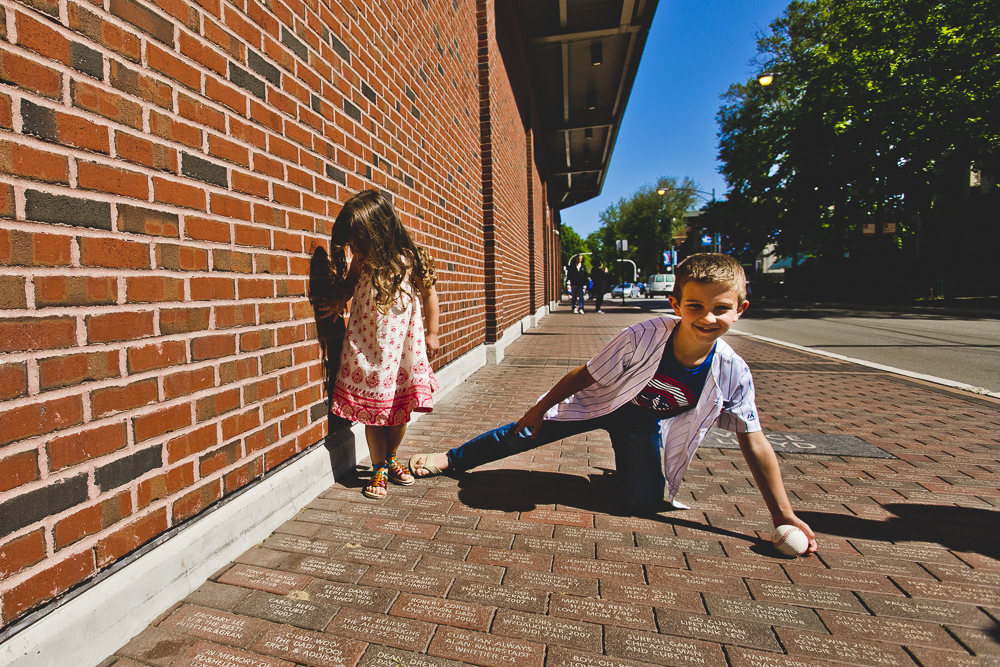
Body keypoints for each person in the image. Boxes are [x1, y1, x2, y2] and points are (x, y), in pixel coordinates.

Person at [409, 253, 817, 553]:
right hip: (600, 402)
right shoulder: (643, 336)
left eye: (720, 309)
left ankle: (624, 474)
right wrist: (536, 411)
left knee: (642, 503)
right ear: (675, 305)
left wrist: (781, 513)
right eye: (695, 306)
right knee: (520, 434)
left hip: (641, 424)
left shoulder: (732, 370)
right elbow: (583, 375)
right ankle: (450, 458)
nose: (707, 317)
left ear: (740, 310)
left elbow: (755, 441)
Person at [317, 190, 440, 499]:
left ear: (377, 229)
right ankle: (377, 467)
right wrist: (337, 303)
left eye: (358, 237)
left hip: (401, 351)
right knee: (375, 412)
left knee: (399, 413)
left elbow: (429, 295)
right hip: (370, 350)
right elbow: (348, 285)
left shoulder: (409, 258)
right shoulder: (362, 260)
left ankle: (391, 457)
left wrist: (433, 333)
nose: (353, 246)